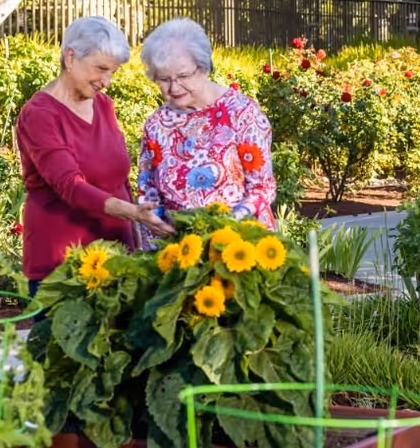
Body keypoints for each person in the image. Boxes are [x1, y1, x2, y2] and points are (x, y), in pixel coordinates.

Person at [15, 17, 173, 297]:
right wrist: (133, 213)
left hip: (116, 257)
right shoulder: (40, 115)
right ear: (70, 57)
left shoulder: (103, 105)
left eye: (112, 72)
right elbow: (70, 186)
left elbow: (119, 176)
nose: (107, 82)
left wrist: (135, 234)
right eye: (100, 69)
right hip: (63, 266)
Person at [138, 18, 277, 228]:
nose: (174, 88)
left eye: (183, 76)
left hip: (242, 243)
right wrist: (156, 226)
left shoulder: (241, 112)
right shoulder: (157, 125)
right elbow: (148, 191)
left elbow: (262, 188)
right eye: (164, 79)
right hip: (181, 248)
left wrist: (222, 227)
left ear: (203, 68)